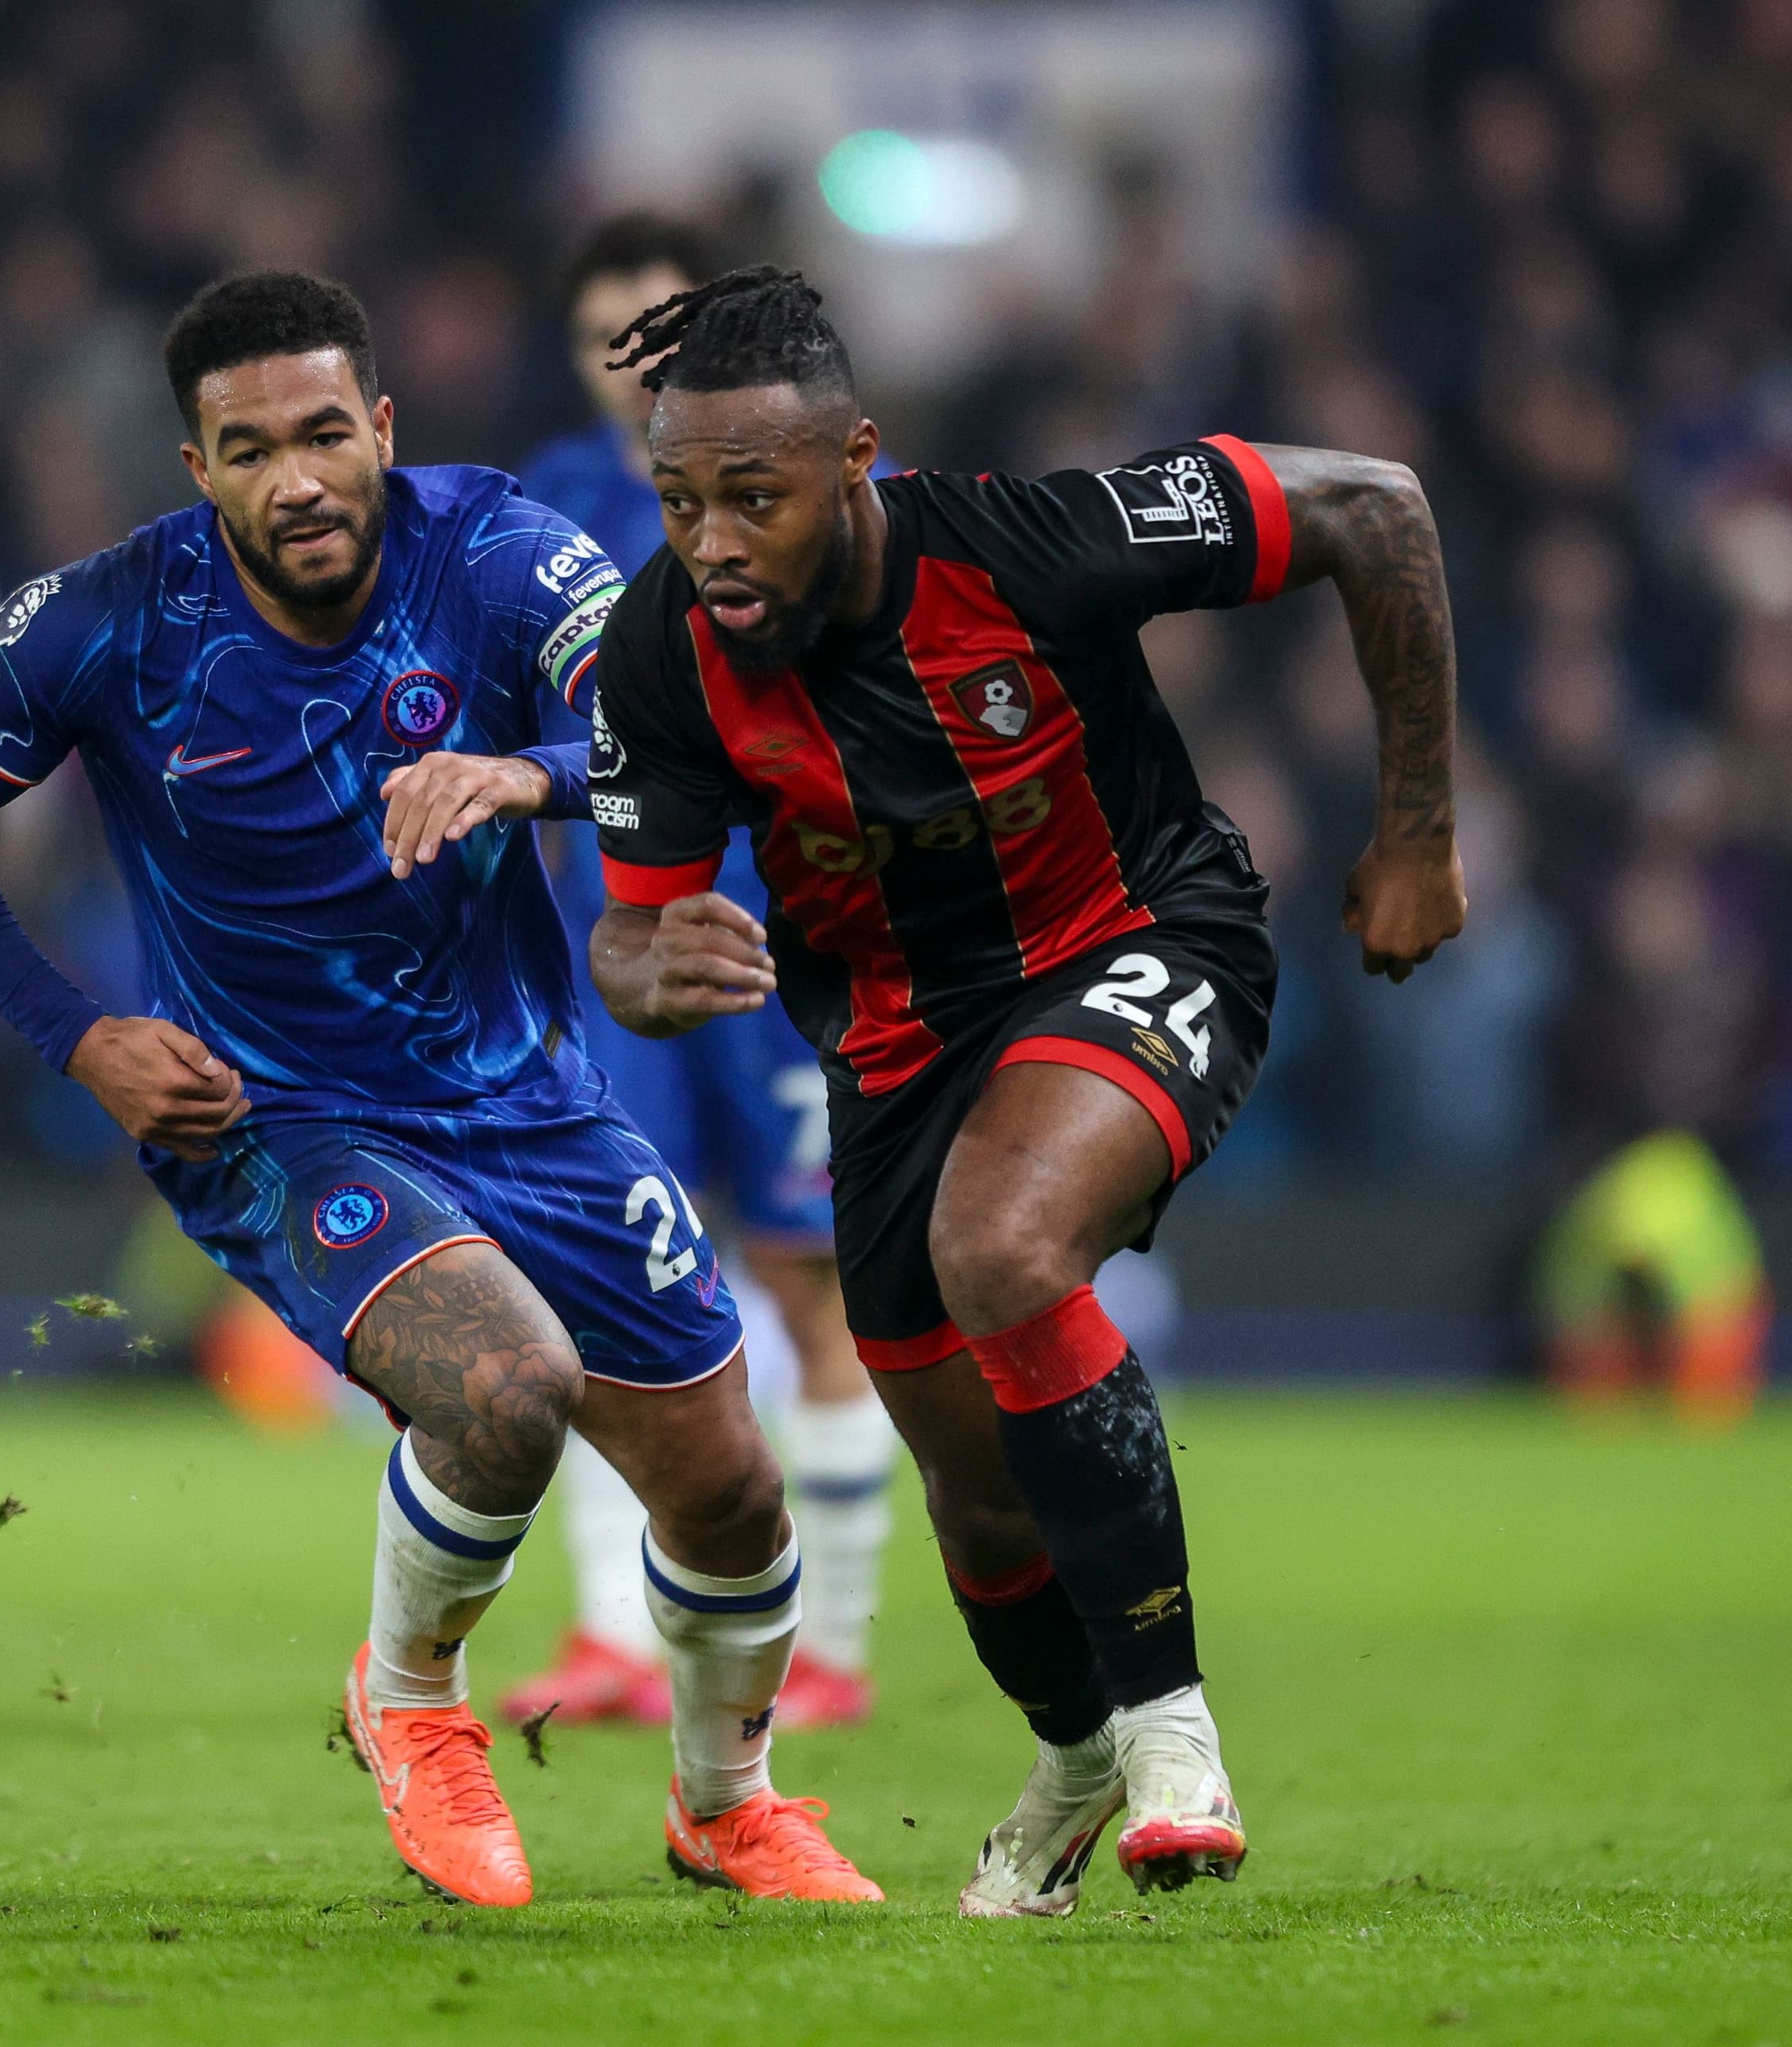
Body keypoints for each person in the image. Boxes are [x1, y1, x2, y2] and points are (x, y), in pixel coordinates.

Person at [0, 271, 878, 1905]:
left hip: (530, 1102)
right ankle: (409, 1700)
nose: (298, 477)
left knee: (733, 1488)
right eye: (249, 449)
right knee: (507, 1386)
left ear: (381, 427)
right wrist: (79, 1029)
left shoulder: (494, 549)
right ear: (197, 467)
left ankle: (725, 1801)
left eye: (326, 432)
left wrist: (522, 770)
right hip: (273, 1122)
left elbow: (657, 709)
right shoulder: (106, 621)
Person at [583, 269, 1465, 1913]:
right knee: (971, 1484)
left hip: (1140, 940)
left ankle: (1170, 1729)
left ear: (860, 461)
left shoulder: (1031, 541)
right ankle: (1072, 1748)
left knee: (1002, 1244)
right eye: (681, 500)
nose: (712, 542)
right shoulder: (661, 653)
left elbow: (1379, 507)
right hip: (901, 1055)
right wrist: (654, 963)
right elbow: (630, 939)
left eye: (754, 499)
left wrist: (1415, 828)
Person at [507, 213, 895, 1733]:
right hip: (619, 944)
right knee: (602, 1278)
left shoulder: (810, 487)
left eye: (662, 328)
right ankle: (614, 1630)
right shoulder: (547, 507)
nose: (637, 366)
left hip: (794, 924)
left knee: (811, 1280)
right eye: (613, 336)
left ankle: (841, 1653)